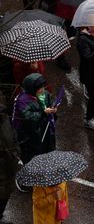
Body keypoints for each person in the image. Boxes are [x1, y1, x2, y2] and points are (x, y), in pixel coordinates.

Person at [12, 74, 56, 163]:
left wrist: (53, 106)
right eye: (40, 88)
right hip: (30, 133)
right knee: (34, 153)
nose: (43, 90)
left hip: (43, 127)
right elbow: (28, 116)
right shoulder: (22, 101)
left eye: (43, 87)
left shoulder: (43, 93)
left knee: (47, 147)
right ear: (32, 89)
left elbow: (50, 99)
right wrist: (43, 112)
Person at [0, 95, 19, 223]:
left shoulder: (4, 119)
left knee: (6, 194)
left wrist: (16, 151)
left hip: (9, 165)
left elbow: (14, 135)